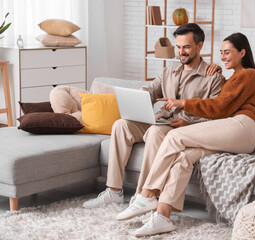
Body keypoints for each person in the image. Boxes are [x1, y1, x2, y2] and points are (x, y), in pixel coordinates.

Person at [116, 32, 255, 237]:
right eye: (221, 53)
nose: (223, 57)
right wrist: (220, 70)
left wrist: (183, 103)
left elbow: (221, 106)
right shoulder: (234, 78)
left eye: (228, 52)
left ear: (242, 52)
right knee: (183, 157)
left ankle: (148, 193)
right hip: (233, 131)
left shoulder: (250, 74)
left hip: (243, 126)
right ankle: (162, 216)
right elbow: (226, 99)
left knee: (174, 137)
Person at [82, 23, 225, 209]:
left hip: (183, 128)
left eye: (187, 47)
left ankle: (143, 196)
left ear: (200, 46)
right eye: (179, 47)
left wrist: (188, 122)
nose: (182, 52)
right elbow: (150, 90)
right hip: (160, 120)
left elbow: (216, 113)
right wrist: (139, 98)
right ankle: (114, 191)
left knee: (154, 133)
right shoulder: (168, 72)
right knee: (121, 125)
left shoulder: (212, 77)